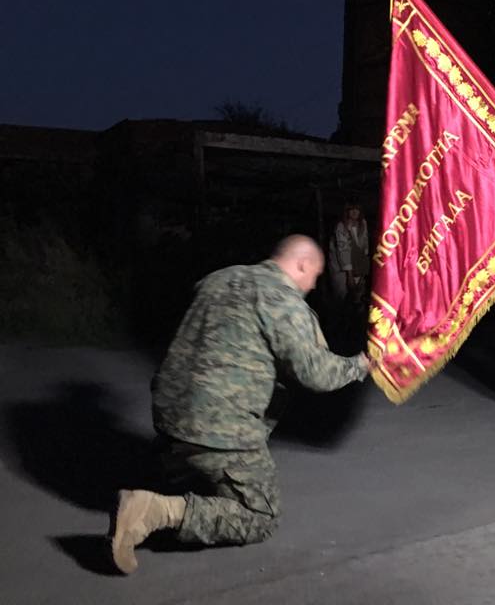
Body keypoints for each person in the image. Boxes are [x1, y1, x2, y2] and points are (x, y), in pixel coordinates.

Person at [109, 235, 370, 574]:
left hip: (168, 409)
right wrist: (360, 366)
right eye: (315, 275)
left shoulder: (221, 278)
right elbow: (316, 373)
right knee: (261, 515)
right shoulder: (282, 298)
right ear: (302, 264)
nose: (313, 283)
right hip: (217, 423)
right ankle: (153, 511)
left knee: (271, 393)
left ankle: (180, 464)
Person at [329, 201, 370, 304]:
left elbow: (365, 246)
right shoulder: (341, 226)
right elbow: (343, 250)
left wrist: (363, 271)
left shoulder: (362, 224)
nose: (354, 212)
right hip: (341, 269)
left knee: (359, 296)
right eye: (351, 209)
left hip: (358, 265)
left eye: (357, 209)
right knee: (344, 297)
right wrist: (349, 275)